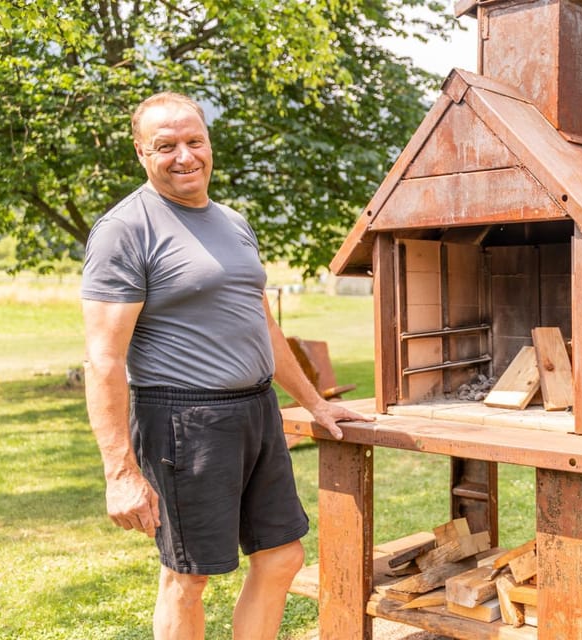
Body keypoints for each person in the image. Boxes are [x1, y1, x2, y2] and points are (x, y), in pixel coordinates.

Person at [80, 91, 370, 640]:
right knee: (188, 578)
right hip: (183, 420)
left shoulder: (234, 222)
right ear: (142, 153)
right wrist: (120, 473)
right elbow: (103, 358)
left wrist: (314, 403)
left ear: (210, 144)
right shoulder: (124, 229)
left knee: (282, 557)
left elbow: (262, 325)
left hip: (256, 410)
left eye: (195, 141)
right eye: (165, 146)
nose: (184, 155)